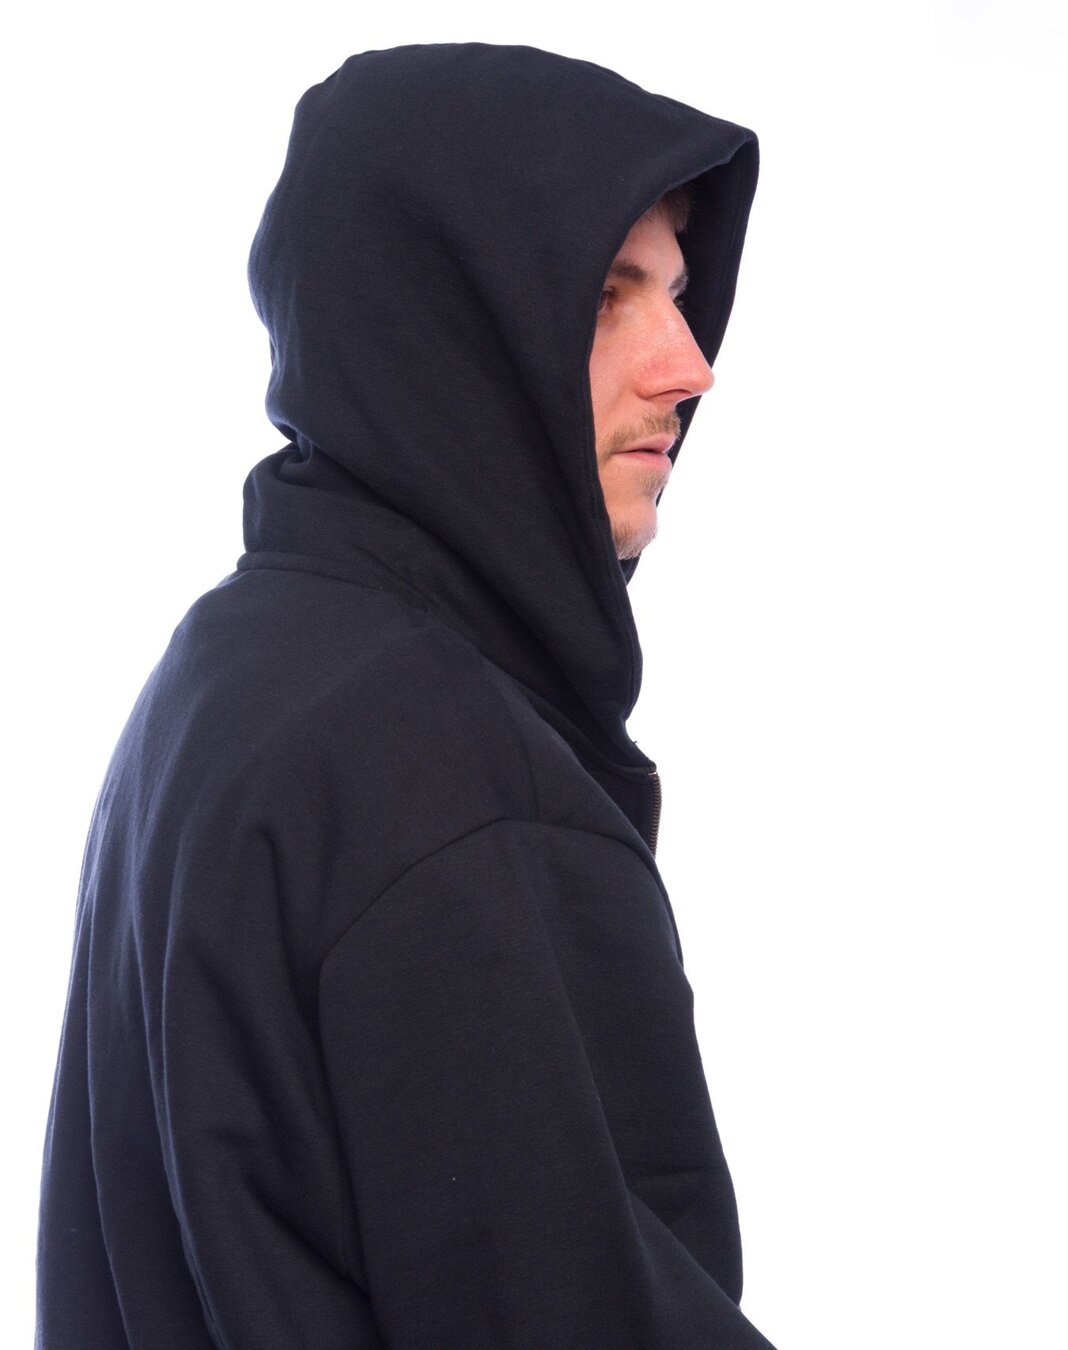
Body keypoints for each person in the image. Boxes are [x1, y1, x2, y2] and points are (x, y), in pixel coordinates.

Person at [37, 43, 775, 1348]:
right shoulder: (455, 785)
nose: (690, 364)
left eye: (677, 292)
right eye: (607, 296)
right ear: (451, 333)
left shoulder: (227, 673)